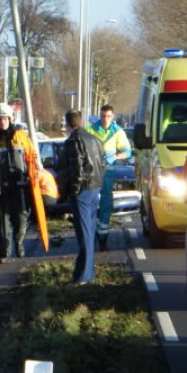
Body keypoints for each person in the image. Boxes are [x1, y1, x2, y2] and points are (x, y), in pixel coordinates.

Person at [0, 103, 39, 262]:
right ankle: (6, 251)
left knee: (22, 216)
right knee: (4, 219)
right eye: (0, 119)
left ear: (10, 119)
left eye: (5, 119)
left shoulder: (21, 136)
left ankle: (19, 242)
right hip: (2, 185)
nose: (2, 122)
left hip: (21, 184)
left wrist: (32, 178)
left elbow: (31, 157)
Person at [59, 109, 105, 285]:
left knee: (84, 234)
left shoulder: (74, 141)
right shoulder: (94, 139)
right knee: (90, 232)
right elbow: (102, 164)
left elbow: (77, 169)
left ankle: (84, 276)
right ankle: (86, 272)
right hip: (94, 188)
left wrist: (73, 190)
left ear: (69, 124)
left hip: (82, 191)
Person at [85, 104, 132, 243]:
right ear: (100, 116)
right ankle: (92, 230)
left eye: (108, 116)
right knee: (92, 199)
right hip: (93, 170)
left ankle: (103, 233)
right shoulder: (91, 130)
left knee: (106, 201)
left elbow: (127, 151)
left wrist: (115, 157)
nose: (106, 119)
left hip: (108, 170)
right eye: (103, 116)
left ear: (113, 117)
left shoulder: (118, 132)